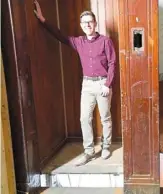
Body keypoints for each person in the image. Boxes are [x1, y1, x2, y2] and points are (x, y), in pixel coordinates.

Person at [34, 1, 116, 166]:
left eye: (90, 22)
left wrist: (108, 84)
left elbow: (113, 63)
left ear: (95, 23)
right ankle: (89, 151)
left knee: (105, 117)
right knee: (84, 118)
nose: (87, 25)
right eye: (84, 22)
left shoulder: (105, 41)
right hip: (87, 85)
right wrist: (43, 20)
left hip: (102, 84)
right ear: (81, 25)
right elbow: (59, 35)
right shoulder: (79, 42)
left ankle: (106, 146)